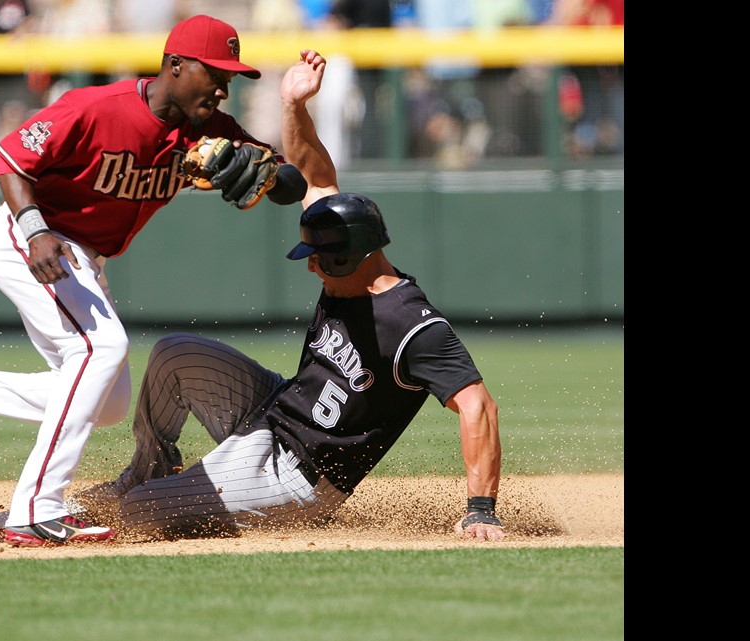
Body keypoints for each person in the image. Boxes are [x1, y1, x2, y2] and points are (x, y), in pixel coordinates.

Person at [0, 14, 308, 547]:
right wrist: (34, 230)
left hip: (84, 256)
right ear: (175, 65)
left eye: (229, 79)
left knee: (108, 401)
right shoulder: (97, 107)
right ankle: (36, 506)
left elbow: (293, 184)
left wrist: (268, 171)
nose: (221, 87)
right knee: (102, 347)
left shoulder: (210, 131)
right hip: (30, 235)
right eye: (214, 73)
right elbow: (9, 158)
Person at [70, 49, 505, 542]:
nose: (311, 264)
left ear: (351, 257)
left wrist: (481, 509)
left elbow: (479, 407)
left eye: (318, 257)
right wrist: (293, 105)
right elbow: (316, 176)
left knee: (139, 513)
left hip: (300, 476)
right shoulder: (346, 254)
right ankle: (147, 470)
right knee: (174, 354)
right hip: (276, 409)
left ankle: (144, 498)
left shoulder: (414, 326)